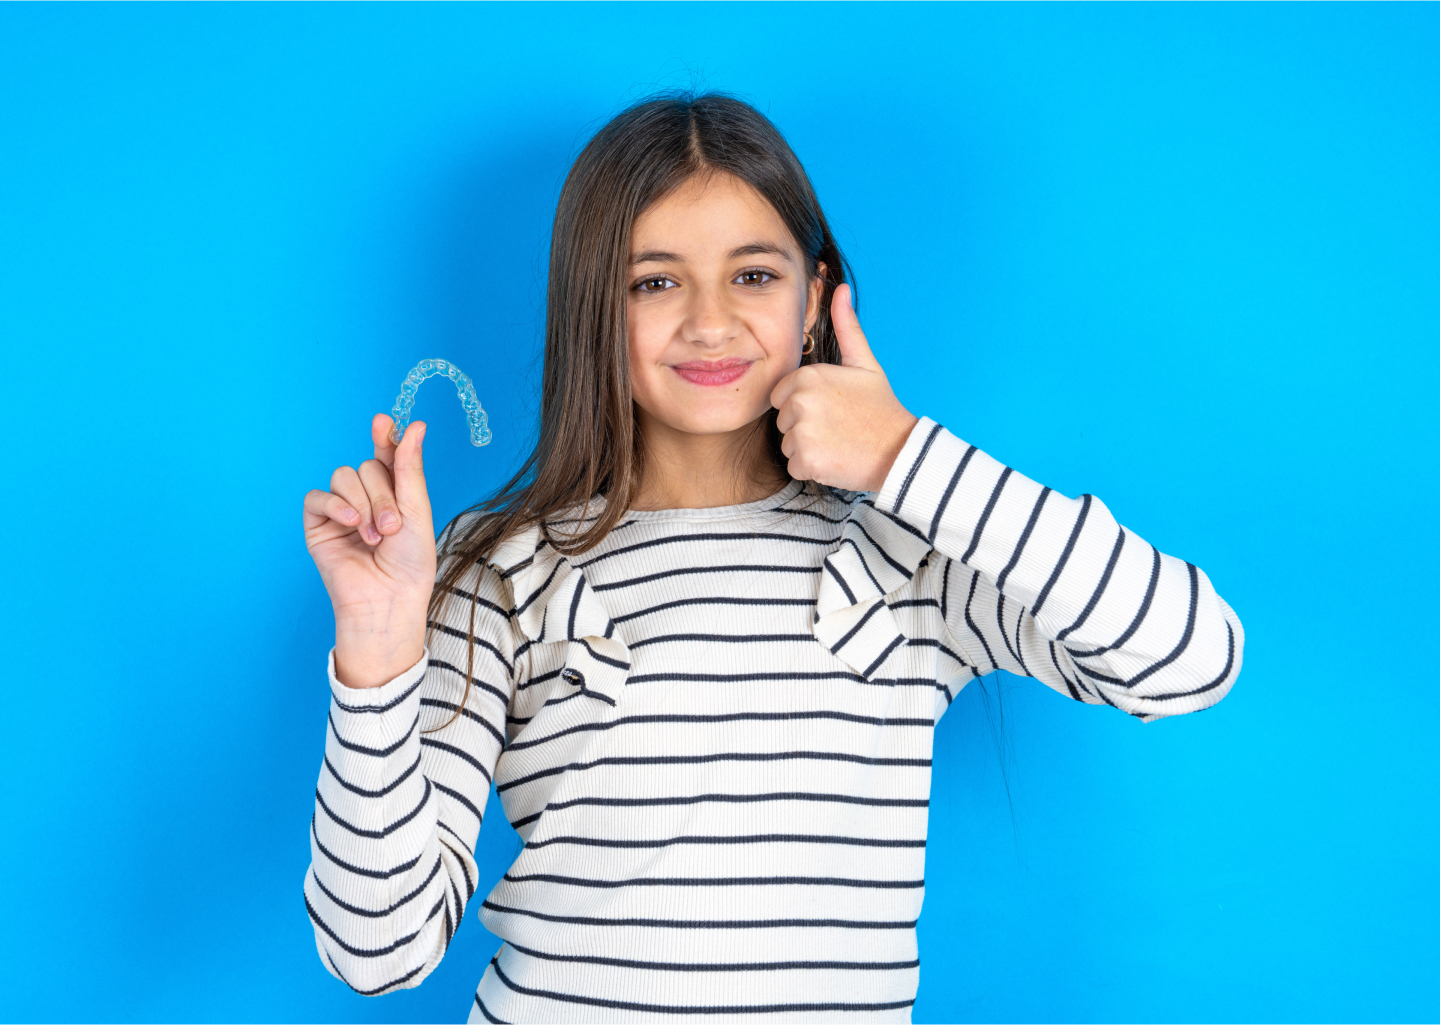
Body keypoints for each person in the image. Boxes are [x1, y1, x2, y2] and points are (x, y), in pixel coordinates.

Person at [300, 93, 1242, 1024]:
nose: (710, 323)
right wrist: (378, 647)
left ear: (814, 294)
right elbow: (377, 951)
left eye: (752, 275)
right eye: (654, 281)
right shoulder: (501, 570)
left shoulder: (908, 544)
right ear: (594, 303)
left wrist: (904, 456)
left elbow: (1190, 657)